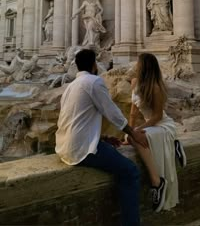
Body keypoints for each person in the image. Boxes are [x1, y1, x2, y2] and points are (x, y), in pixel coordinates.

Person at [55, 48, 148, 226]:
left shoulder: (71, 86)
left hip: (64, 146)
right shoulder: (94, 81)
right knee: (130, 171)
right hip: (81, 149)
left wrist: (102, 138)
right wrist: (133, 133)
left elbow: (76, 119)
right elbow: (112, 112)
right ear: (94, 64)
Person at [127, 53, 186, 213]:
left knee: (137, 137)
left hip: (163, 125)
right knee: (131, 136)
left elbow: (158, 116)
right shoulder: (134, 83)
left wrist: (138, 130)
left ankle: (157, 181)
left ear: (144, 66)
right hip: (152, 125)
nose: (135, 65)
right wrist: (129, 131)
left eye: (138, 63)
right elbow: (133, 113)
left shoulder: (155, 87)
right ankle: (174, 145)